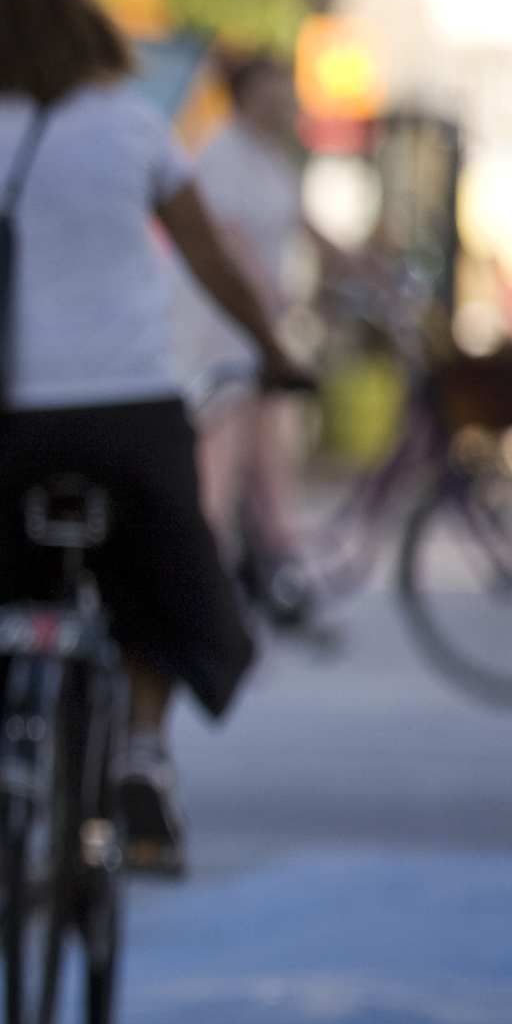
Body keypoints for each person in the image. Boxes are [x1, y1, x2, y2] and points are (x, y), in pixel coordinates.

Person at [0, 0, 299, 931]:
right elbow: (211, 264)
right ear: (82, 28)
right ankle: (143, 747)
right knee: (167, 580)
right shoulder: (131, 127)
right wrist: (273, 353)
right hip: (127, 412)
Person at [176, 47, 315, 624]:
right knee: (223, 458)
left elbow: (304, 226)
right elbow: (227, 241)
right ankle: (209, 582)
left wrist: (370, 268)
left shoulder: (272, 156)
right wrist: (266, 302)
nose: (281, 98)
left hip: (259, 323)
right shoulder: (221, 153)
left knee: (270, 453)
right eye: (270, 86)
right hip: (222, 324)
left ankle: (274, 573)